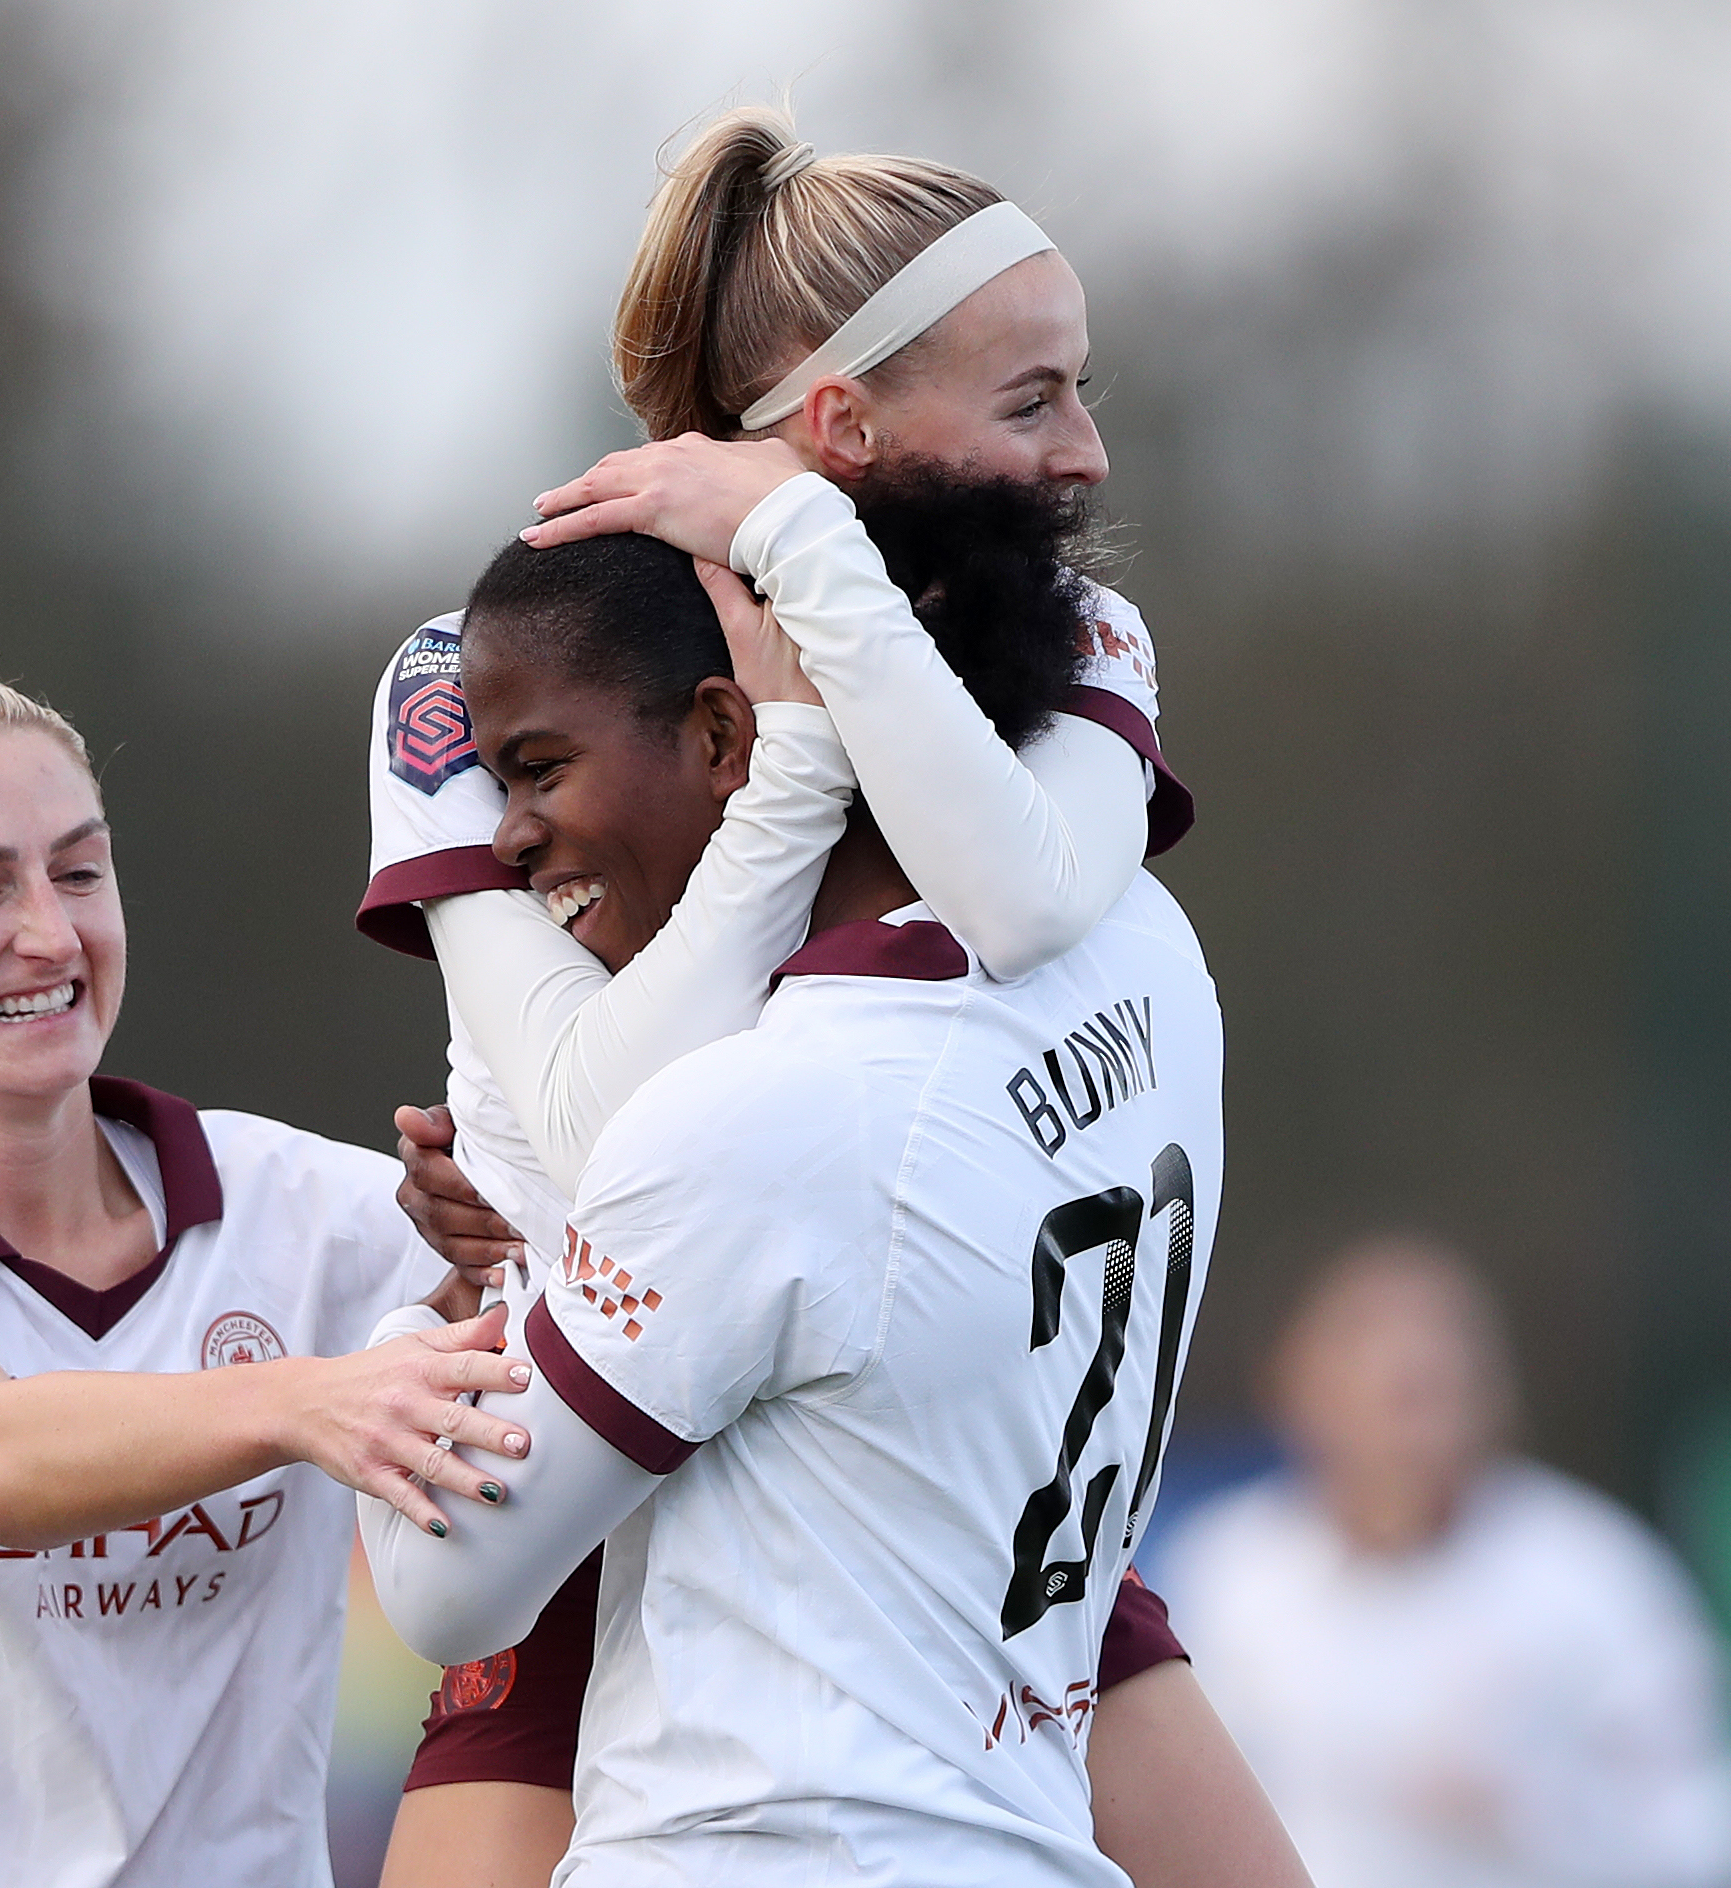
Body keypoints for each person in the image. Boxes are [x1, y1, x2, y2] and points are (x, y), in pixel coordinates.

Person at [358, 106, 1227, 1887]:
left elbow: (649, 1156)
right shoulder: (1154, 952)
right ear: (838, 423)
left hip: (750, 1553)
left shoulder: (1064, 689)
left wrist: (469, 1295)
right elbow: (631, 1138)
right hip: (757, 1512)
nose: (1086, 453)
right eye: (1034, 396)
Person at [0, 658, 534, 1888]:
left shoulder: (316, 1211)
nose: (50, 932)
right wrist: (309, 1400)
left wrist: (495, 1233)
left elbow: (579, 1332)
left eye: (79, 870)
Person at [1154, 1238, 1731, 1888]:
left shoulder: (1595, 1576)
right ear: (1294, 1384)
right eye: (1375, 1367)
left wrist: (1543, 1813)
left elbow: (1721, 1834)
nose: (1406, 1403)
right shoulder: (1225, 1572)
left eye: (1433, 1377)